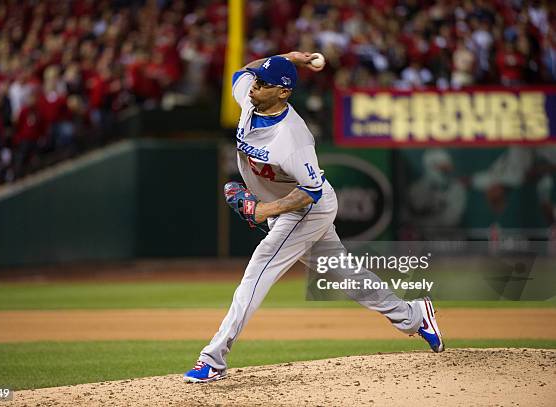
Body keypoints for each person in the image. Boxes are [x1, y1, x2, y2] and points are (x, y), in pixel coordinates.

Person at [183, 52, 444, 383]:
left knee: (259, 269)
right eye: (257, 81)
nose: (254, 87)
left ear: (283, 92)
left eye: (263, 84)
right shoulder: (252, 100)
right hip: (284, 207)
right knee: (348, 277)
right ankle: (415, 315)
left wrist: (264, 211)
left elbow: (311, 191)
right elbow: (241, 74)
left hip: (307, 209)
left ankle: (214, 358)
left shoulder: (294, 138)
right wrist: (287, 57)